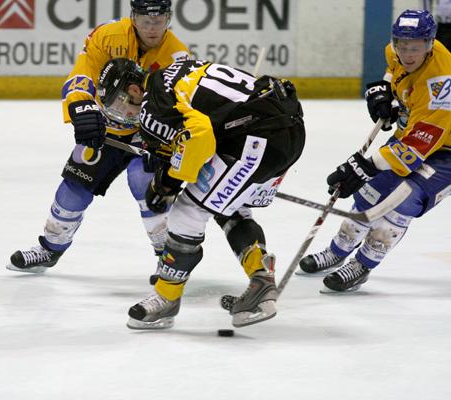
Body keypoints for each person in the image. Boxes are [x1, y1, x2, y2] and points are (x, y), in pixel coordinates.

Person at [97, 58, 306, 329]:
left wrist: (168, 182)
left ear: (135, 90)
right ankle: (260, 279)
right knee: (227, 206)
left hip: (257, 140)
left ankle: (166, 298)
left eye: (120, 102)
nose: (123, 112)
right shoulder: (178, 71)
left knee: (187, 213)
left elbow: (199, 137)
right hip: (287, 131)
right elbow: (209, 122)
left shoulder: (153, 103)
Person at [7, 1, 190, 277]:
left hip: (147, 133)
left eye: (159, 21)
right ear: (133, 17)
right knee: (75, 184)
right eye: (145, 21)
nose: (152, 28)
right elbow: (83, 73)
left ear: (169, 19)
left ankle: (169, 259)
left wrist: (167, 145)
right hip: (105, 126)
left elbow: (179, 110)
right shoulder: (108, 36)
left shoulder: (178, 58)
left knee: (146, 185)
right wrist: (82, 108)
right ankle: (50, 248)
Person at [299, 9, 451, 292]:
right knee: (370, 192)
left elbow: (415, 148)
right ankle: (338, 250)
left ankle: (363, 264)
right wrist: (385, 91)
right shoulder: (395, 51)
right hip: (411, 133)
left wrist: (362, 166)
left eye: (415, 48)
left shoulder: (441, 86)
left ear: (430, 44)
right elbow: (393, 70)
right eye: (402, 45)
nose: (407, 54)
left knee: (405, 198)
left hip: (445, 152)